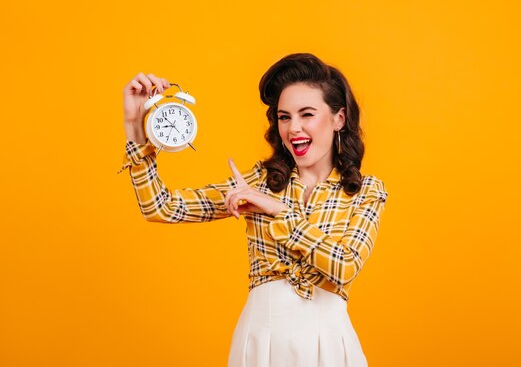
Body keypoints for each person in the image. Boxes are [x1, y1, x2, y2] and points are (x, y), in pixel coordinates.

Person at [119, 53, 389, 367]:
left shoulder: (365, 190)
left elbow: (345, 264)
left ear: (338, 119)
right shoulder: (258, 182)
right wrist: (134, 127)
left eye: (307, 114)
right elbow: (161, 207)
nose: (294, 128)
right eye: (284, 117)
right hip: (262, 342)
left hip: (327, 344)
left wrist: (279, 211)